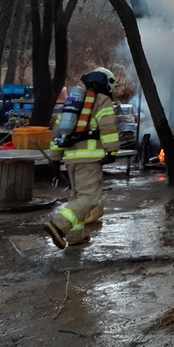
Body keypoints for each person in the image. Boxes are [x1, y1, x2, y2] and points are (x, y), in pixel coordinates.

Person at [43, 68, 120, 249]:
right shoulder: (102, 101)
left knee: (77, 197)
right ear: (107, 83)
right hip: (89, 158)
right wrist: (112, 151)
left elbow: (57, 133)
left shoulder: (74, 103)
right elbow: (108, 127)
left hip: (71, 159)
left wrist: (55, 160)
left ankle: (75, 236)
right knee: (90, 197)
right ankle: (58, 224)